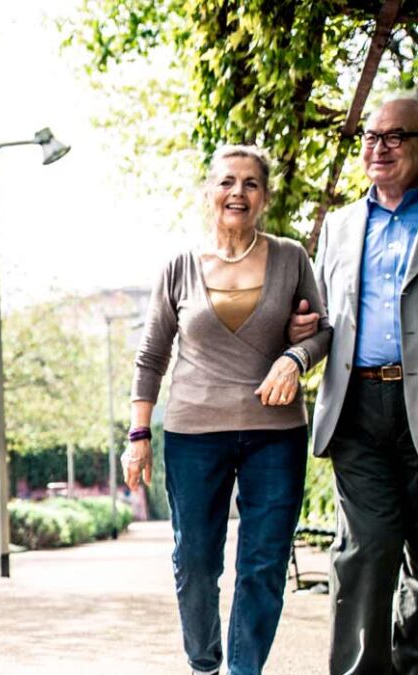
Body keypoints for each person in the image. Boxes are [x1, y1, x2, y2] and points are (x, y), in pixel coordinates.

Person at [124, 145, 331, 675]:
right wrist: (139, 433)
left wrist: (295, 355)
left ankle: (244, 669)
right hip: (195, 433)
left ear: (264, 196)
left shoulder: (290, 258)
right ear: (209, 192)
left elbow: (322, 331)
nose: (237, 192)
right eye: (226, 182)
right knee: (194, 562)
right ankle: (203, 661)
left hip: (275, 434)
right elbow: (151, 356)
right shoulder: (179, 266)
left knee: (262, 564)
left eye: (250, 183)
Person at [289, 96, 418, 675]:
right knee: (365, 548)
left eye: (395, 137)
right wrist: (300, 334)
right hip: (358, 405)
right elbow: (321, 313)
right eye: (370, 136)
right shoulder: (340, 226)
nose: (378, 148)